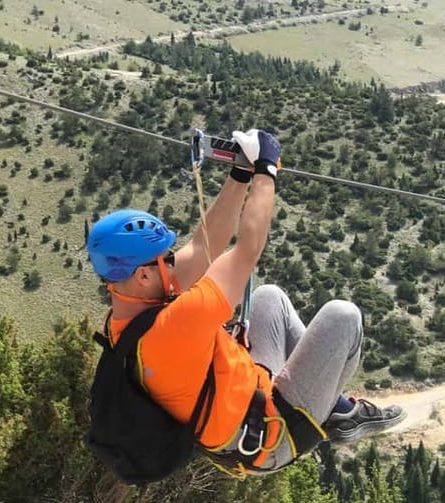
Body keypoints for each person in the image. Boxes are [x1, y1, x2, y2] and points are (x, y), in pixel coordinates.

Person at [87, 128, 406, 476]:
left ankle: (331, 406)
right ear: (144, 274)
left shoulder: (127, 314)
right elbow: (247, 250)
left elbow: (201, 249)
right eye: (166, 259)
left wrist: (239, 174)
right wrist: (266, 172)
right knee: (343, 317)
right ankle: (336, 414)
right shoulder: (176, 324)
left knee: (269, 299)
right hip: (272, 436)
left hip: (250, 400)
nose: (174, 262)